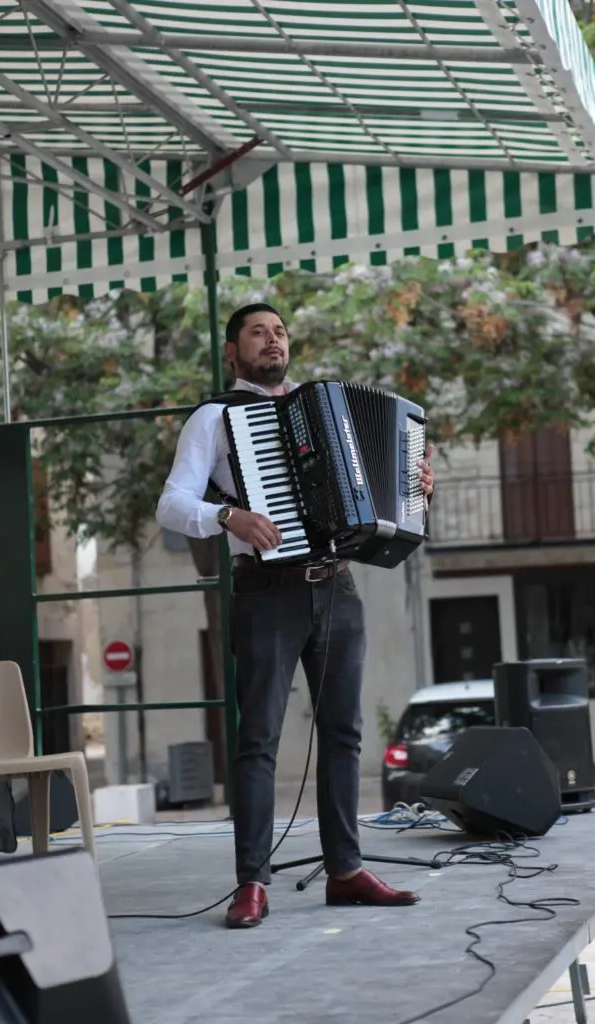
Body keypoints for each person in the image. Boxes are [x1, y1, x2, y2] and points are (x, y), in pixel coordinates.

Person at [156, 303, 435, 929]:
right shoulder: (215, 418)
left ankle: (346, 870)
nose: (272, 340)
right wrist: (227, 517)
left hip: (337, 587)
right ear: (233, 351)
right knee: (257, 740)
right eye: (257, 332)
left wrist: (418, 486)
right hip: (266, 592)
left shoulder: (326, 409)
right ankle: (251, 882)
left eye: (279, 331)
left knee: (344, 733)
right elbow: (172, 503)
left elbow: (383, 489)